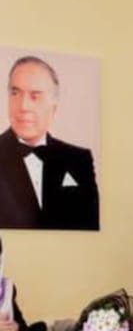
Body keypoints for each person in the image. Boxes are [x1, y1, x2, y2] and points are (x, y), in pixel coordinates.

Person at [0, 57, 99, 230]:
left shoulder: (79, 159)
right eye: (15, 93)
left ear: (54, 106)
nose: (23, 106)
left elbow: (90, 226)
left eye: (35, 96)